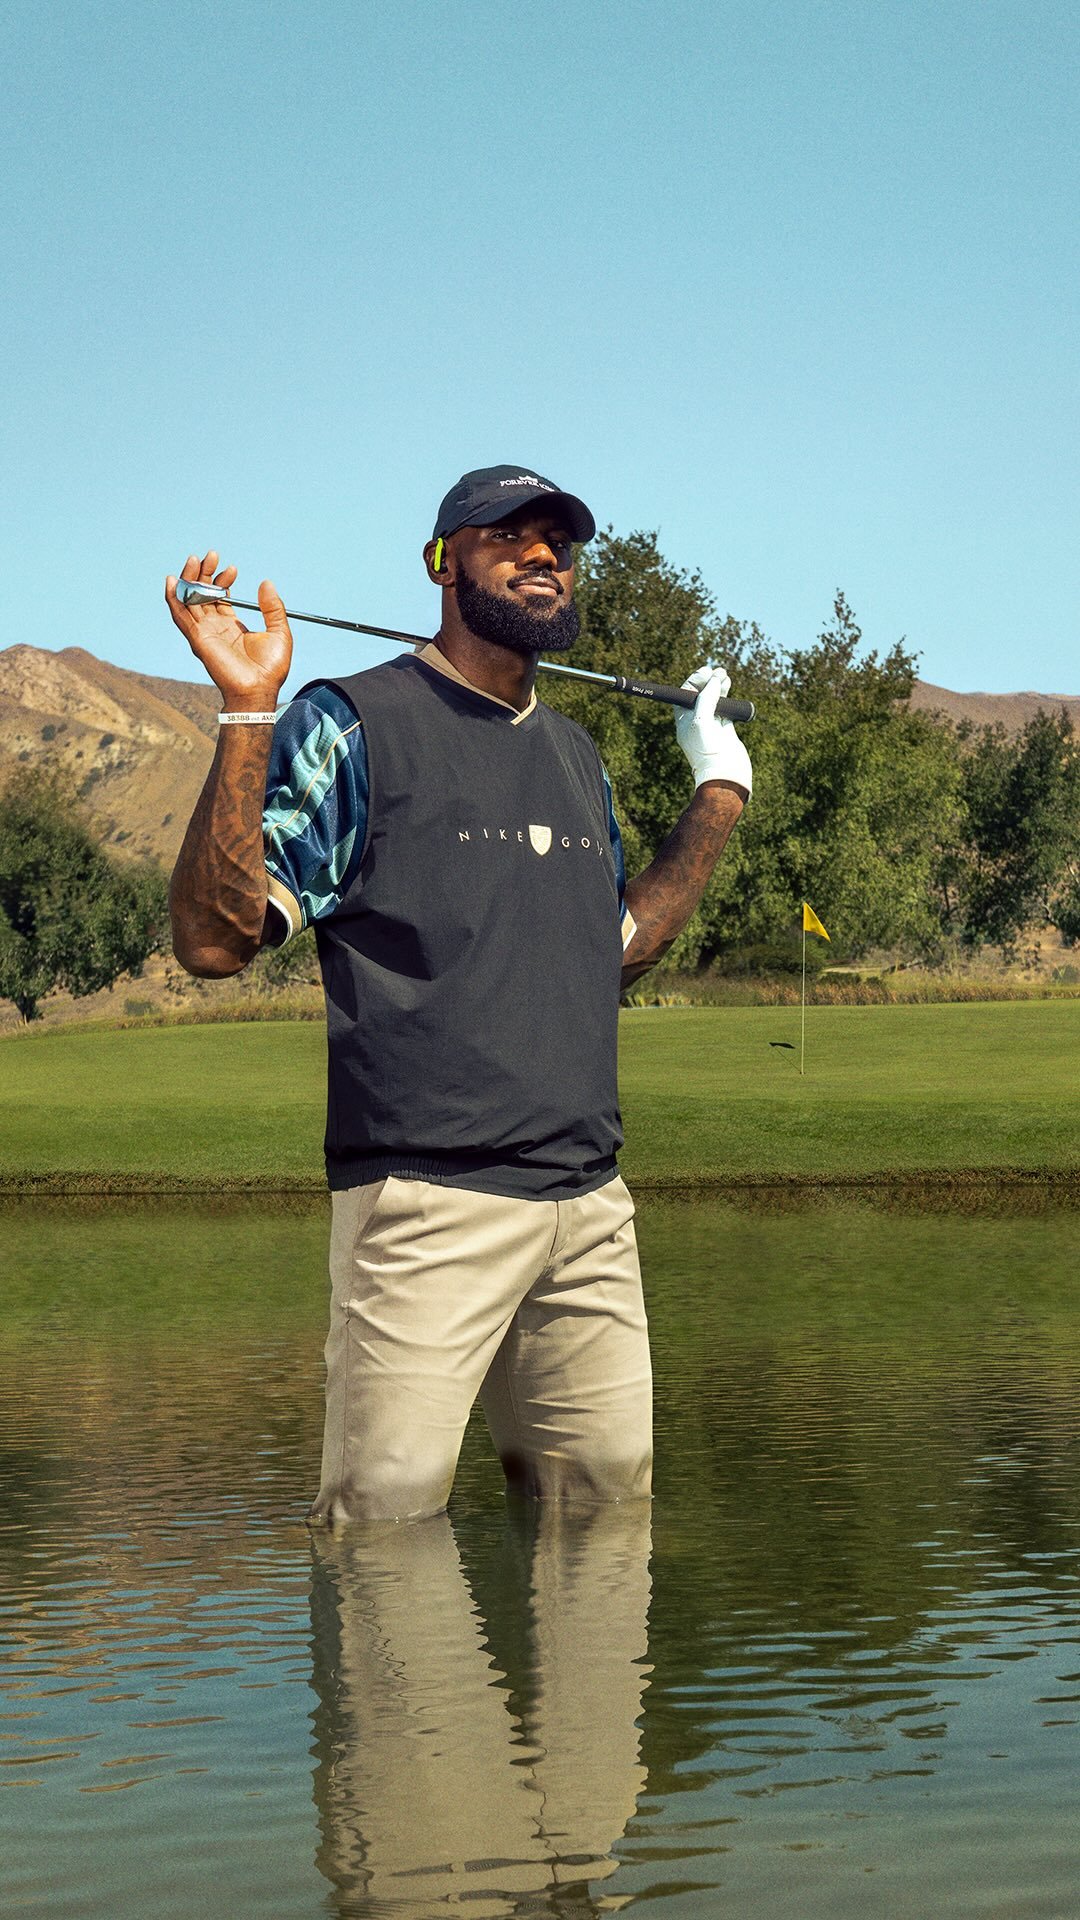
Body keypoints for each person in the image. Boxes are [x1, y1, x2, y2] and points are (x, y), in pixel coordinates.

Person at [166, 465, 751, 1524]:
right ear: (443, 563)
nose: (543, 556)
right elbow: (213, 941)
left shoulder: (577, 758)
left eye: (560, 543)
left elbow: (606, 953)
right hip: (427, 1206)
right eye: (508, 536)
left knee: (607, 1530)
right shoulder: (352, 723)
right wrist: (249, 712)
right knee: (383, 1539)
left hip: (589, 1212)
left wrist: (717, 797)